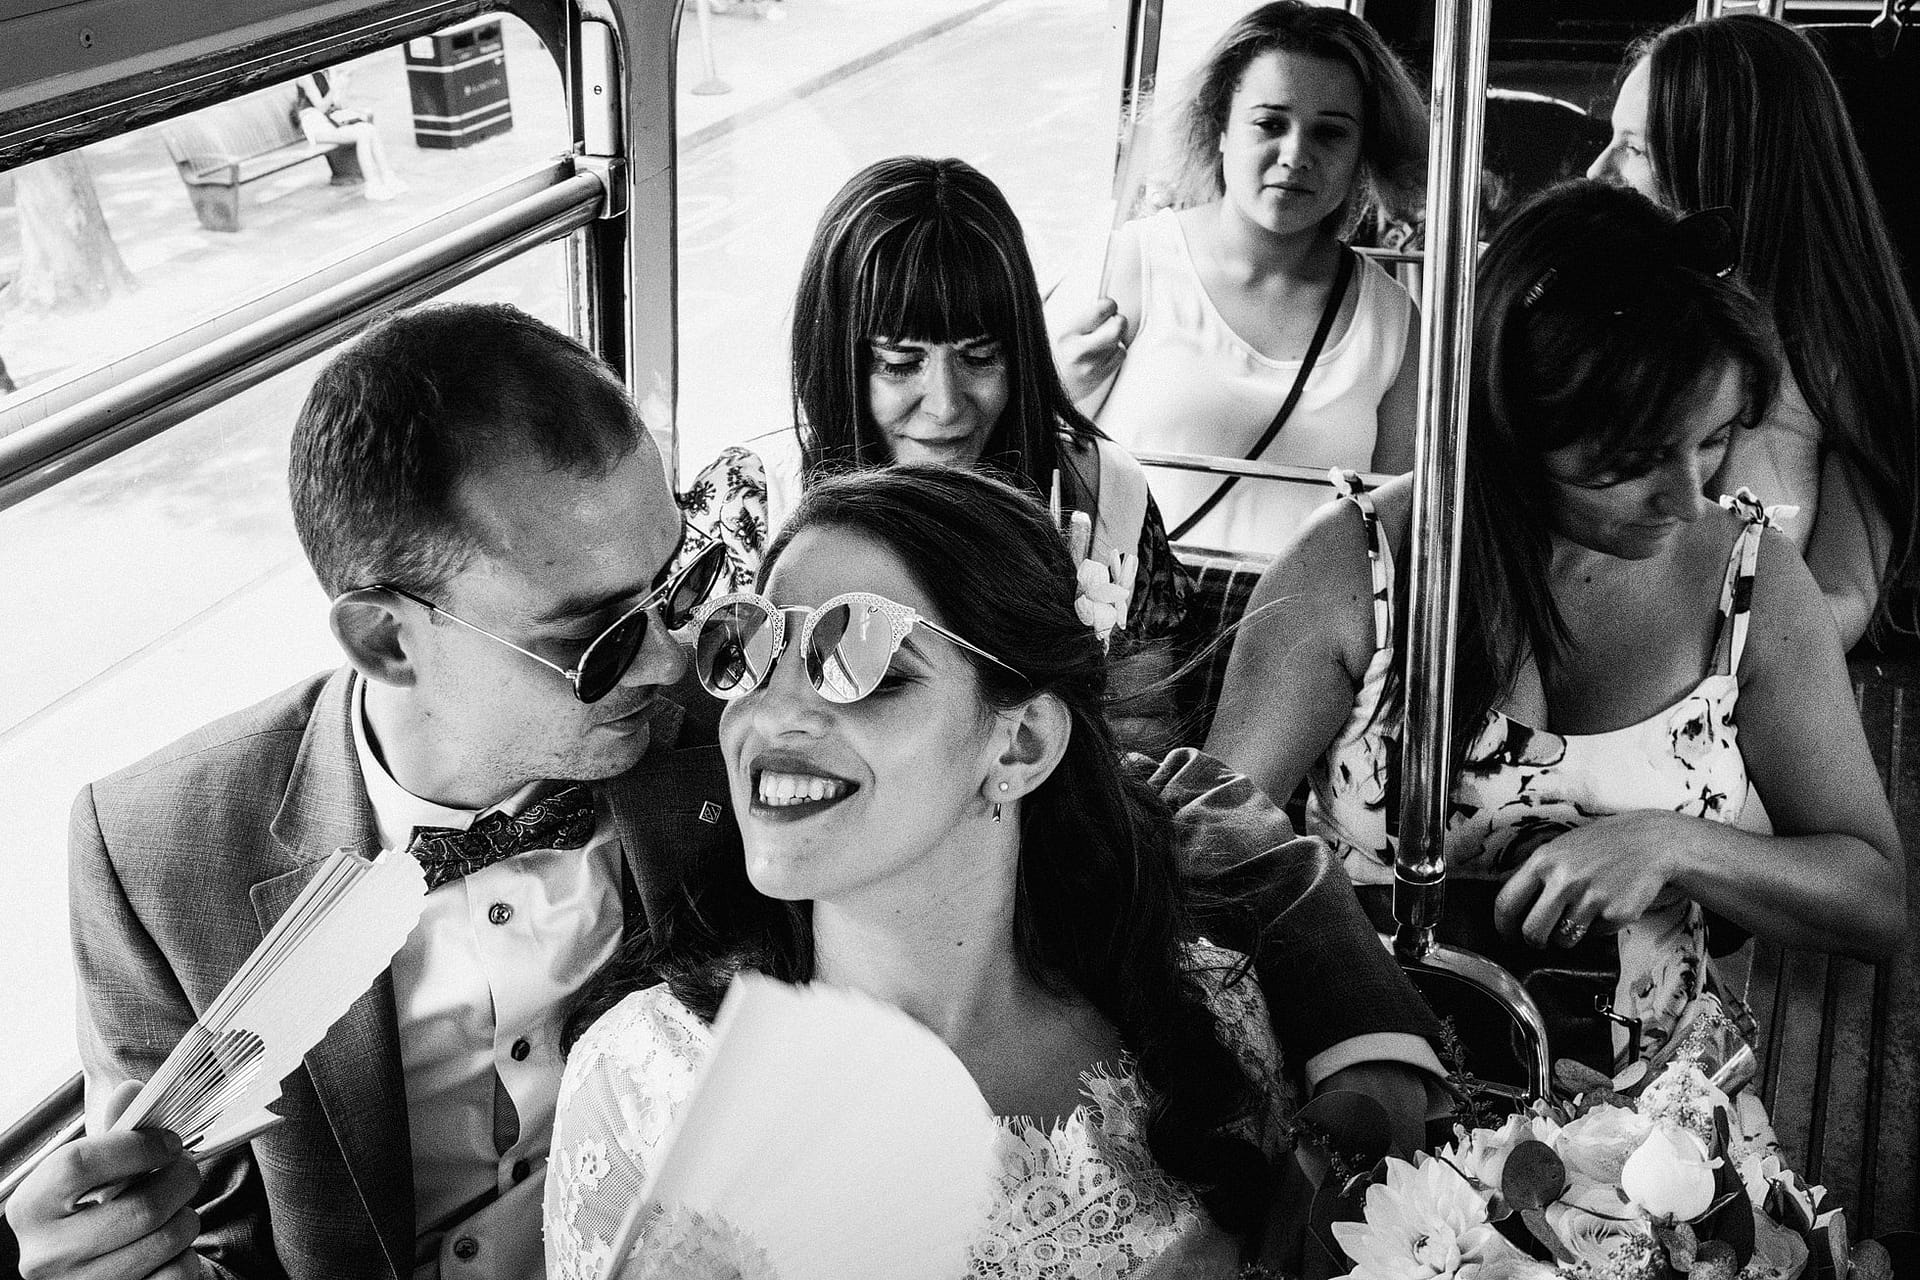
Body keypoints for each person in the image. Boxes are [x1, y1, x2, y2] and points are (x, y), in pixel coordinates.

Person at [7, 306, 1442, 1277]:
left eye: (683, 577)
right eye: (597, 631)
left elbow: (1119, 794)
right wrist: (115, 1252)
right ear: (390, 639)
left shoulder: (749, 713)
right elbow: (196, 1221)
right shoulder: (154, 852)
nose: (692, 654)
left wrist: (1365, 1032)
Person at [1205, 181, 1905, 1075]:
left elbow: (1873, 899)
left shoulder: (1751, 583)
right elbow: (1215, 855)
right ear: (1515, 424)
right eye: (1632, 461)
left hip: (1659, 1139)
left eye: (1715, 440)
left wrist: (1675, 846)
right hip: (1377, 1078)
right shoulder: (1354, 573)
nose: (1689, 499)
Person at [549, 465, 1286, 1277]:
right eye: (751, 651)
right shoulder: (638, 1084)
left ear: (1021, 743)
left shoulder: (1206, 1020)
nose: (771, 713)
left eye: (861, 661)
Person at [679, 155, 1189, 652]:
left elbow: (1141, 718)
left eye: (981, 356)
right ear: (837, 364)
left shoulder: (1104, 496)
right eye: (900, 363)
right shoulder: (748, 506)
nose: (946, 407)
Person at [1587, 13, 1920, 650]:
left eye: (1633, 148)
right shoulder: (1584, 330)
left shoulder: (1840, 361)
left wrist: (1713, 662)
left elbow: (1844, 594)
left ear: (1725, 168)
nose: (1595, 173)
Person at [1047, 0, 1427, 553]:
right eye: (1270, 123)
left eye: (1330, 134)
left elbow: (1396, 537)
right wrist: (1060, 388)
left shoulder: (1392, 323)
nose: (1295, 154)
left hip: (1304, 638)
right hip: (1131, 630)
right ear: (1220, 127)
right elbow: (1025, 464)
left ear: (1363, 153)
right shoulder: (1129, 268)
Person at [294, 70, 406, 201]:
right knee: (362, 134)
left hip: (330, 121)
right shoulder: (305, 76)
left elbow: (338, 105)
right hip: (315, 124)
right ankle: (372, 185)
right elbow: (321, 107)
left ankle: (388, 176)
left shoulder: (327, 72)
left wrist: (342, 87)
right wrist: (335, 87)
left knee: (370, 129)